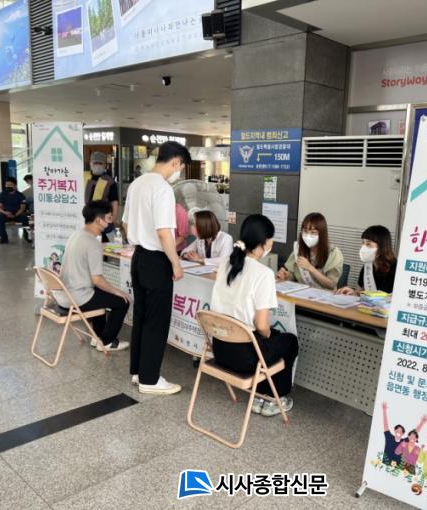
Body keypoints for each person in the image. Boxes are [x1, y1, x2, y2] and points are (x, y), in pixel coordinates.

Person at [210, 214, 299, 417]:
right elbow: (261, 326)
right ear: (264, 242)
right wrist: (267, 336)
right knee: (289, 342)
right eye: (271, 238)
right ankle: (275, 398)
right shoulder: (263, 274)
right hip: (245, 359)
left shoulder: (225, 264)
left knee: (273, 339)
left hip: (220, 351)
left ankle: (260, 394)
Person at [123, 141, 189, 395]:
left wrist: (140, 239)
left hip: (138, 257)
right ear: (176, 162)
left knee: (141, 316)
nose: (179, 172)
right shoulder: (162, 188)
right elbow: (164, 233)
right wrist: (175, 263)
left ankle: (138, 372)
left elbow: (126, 224)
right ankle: (150, 379)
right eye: (181, 167)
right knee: (157, 321)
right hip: (156, 261)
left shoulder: (138, 183)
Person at [54, 201, 130, 352]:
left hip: (64, 294)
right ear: (98, 220)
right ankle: (107, 342)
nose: (111, 221)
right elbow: (97, 280)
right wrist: (117, 291)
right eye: (109, 218)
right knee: (123, 301)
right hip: (77, 297)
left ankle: (98, 337)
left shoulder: (77, 235)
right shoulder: (92, 243)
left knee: (101, 294)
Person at [276, 212, 344, 290]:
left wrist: (310, 268)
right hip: (301, 293)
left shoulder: (333, 252)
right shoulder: (298, 249)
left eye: (313, 233)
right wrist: (286, 275)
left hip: (324, 295)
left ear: (322, 234)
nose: (308, 236)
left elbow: (331, 284)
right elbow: (293, 275)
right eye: (305, 231)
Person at [337, 225, 397, 295]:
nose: (363, 247)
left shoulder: (395, 268)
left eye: (368, 244)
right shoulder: (367, 267)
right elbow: (359, 292)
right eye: (363, 243)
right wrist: (352, 292)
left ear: (382, 246)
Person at [382, 401, 427, 466]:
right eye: (397, 430)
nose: (398, 432)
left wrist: (422, 422)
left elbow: (414, 433)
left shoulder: (404, 442)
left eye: (401, 432)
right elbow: (385, 425)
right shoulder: (389, 437)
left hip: (397, 467)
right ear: (394, 431)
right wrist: (384, 410)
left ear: (403, 434)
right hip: (385, 464)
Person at [85, 151, 118, 242]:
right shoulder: (84, 177)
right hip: (89, 220)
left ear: (105, 165)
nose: (97, 165)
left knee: (110, 244)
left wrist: (113, 220)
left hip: (106, 221)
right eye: (95, 163)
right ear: (90, 163)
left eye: (100, 163)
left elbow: (114, 202)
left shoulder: (110, 181)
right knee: (90, 243)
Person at [0, 177, 29, 244]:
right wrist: (6, 213)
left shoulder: (20, 195)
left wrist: (15, 215)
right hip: (6, 214)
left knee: (25, 218)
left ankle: (26, 236)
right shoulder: (2, 194)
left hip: (18, 214)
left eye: (10, 185)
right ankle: (4, 238)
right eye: (7, 185)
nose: (8, 186)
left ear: (15, 185)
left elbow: (22, 208)